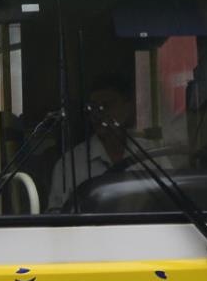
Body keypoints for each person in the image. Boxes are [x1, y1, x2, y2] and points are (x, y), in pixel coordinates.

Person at [48, 75, 139, 209]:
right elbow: (57, 214)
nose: (97, 115)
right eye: (93, 108)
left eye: (106, 106)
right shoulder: (69, 165)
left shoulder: (149, 152)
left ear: (128, 108)